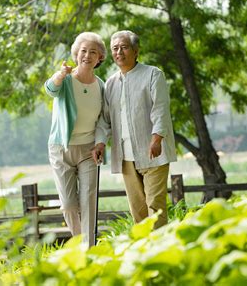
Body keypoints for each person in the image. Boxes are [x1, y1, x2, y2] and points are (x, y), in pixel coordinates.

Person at [93, 30, 176, 228]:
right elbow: (105, 119)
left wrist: (157, 138)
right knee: (138, 210)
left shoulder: (153, 74)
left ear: (136, 51)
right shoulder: (111, 83)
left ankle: (162, 251)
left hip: (153, 152)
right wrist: (100, 143)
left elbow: (161, 109)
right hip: (126, 157)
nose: (119, 52)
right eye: (115, 48)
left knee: (155, 206)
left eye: (124, 47)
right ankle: (144, 253)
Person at [45, 32, 106, 246]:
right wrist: (60, 75)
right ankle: (81, 243)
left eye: (93, 52)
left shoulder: (101, 85)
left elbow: (102, 120)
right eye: (83, 51)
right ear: (76, 54)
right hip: (62, 148)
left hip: (89, 149)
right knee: (69, 205)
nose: (87, 55)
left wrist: (100, 142)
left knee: (88, 201)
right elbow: (50, 89)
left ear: (100, 58)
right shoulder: (66, 80)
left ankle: (89, 250)